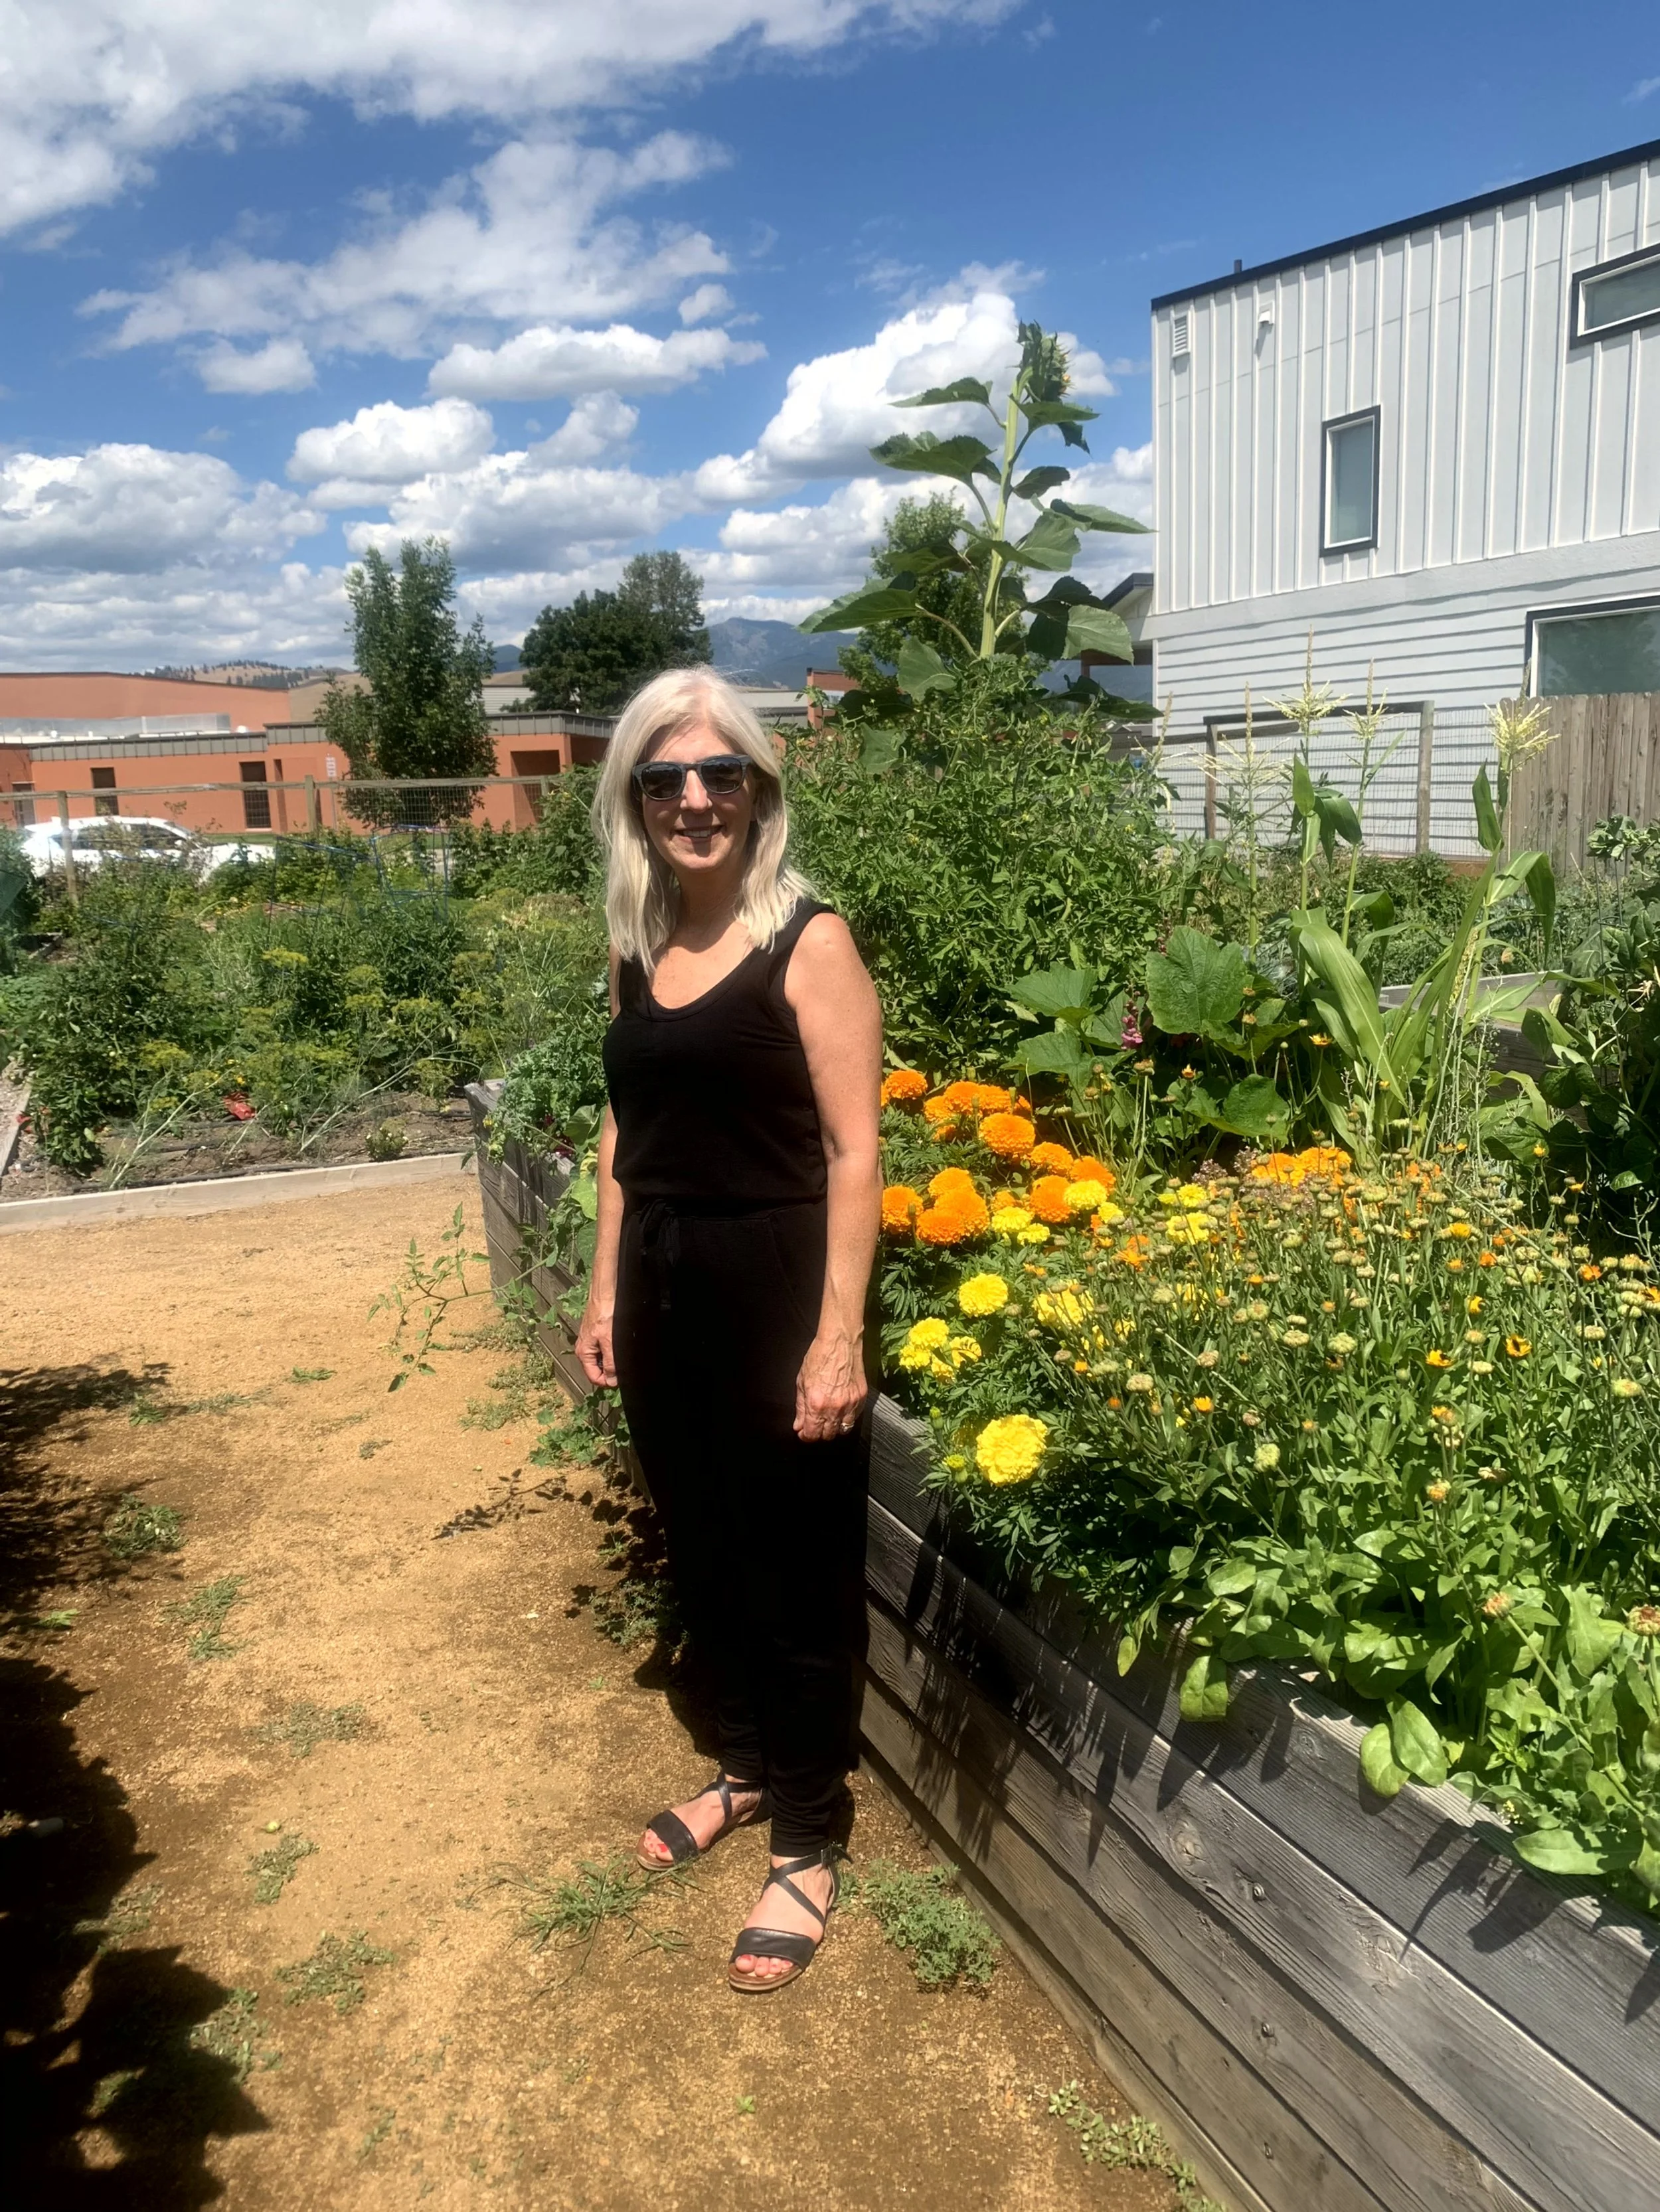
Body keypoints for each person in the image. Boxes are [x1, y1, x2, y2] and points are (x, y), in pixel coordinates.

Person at [575, 667, 882, 1993]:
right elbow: (621, 1139)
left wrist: (835, 1336)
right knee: (703, 1548)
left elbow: (857, 1151)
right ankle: (749, 1771)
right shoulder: (636, 944)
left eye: (720, 777)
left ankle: (808, 1841)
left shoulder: (806, 942)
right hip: (658, 1282)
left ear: (759, 791)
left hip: (772, 1277)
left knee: (798, 1570)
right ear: (633, 803)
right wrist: (600, 1291)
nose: (695, 801)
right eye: (666, 781)